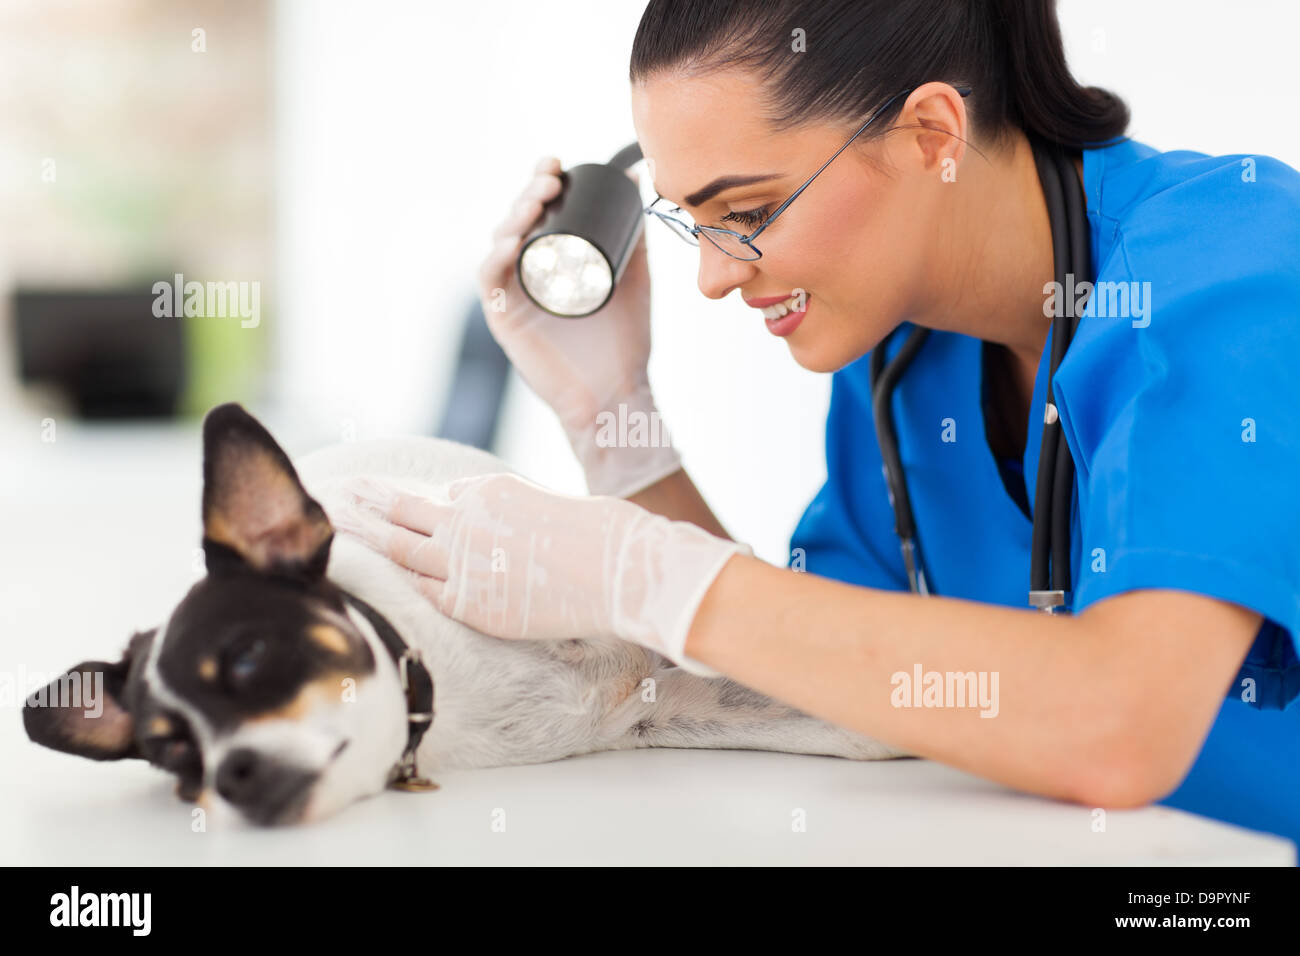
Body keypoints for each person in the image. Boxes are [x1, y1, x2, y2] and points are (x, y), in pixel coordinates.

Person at [339, 0, 1300, 846]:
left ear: (933, 133)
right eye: (690, 225)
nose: (714, 278)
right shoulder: (902, 357)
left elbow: (1121, 723)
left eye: (748, 211)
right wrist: (615, 420)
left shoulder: (1234, 267)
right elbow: (803, 677)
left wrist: (643, 574)